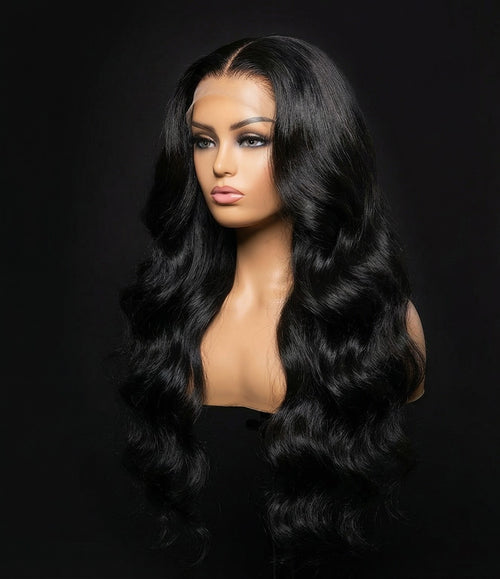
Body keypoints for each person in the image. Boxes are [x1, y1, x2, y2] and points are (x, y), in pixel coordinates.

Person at [119, 35, 426, 577]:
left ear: (314, 146)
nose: (220, 165)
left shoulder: (379, 323)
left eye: (252, 140)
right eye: (203, 141)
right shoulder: (174, 313)